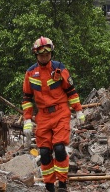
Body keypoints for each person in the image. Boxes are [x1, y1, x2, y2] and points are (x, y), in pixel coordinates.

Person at [21, 37, 85, 192]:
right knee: (44, 152)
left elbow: (71, 91)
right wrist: (27, 120)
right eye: (41, 54)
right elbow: (27, 98)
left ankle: (62, 184)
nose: (44, 56)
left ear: (51, 53)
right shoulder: (30, 73)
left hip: (60, 112)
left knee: (59, 148)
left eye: (47, 53)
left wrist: (78, 110)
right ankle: (49, 186)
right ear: (36, 55)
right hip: (42, 116)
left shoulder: (59, 69)